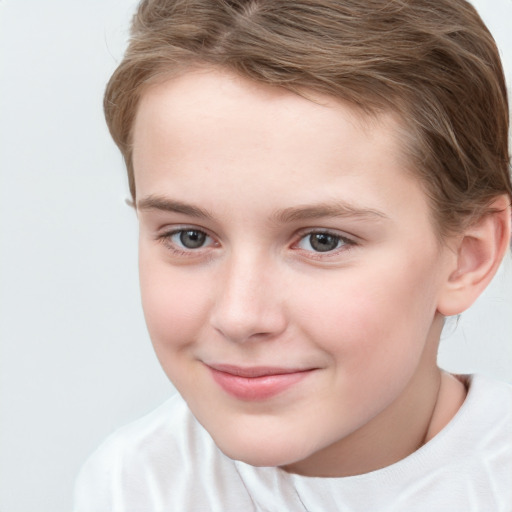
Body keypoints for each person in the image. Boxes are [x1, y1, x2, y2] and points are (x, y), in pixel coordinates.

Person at [74, 0, 512, 510]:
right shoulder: (135, 486)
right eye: (190, 237)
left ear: (467, 258)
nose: (240, 317)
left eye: (322, 240)